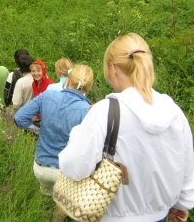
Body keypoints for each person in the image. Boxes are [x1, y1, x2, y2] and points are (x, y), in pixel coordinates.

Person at [59, 33, 194, 222]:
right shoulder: (175, 112)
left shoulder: (105, 112)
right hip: (161, 215)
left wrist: (77, 132)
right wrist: (182, 203)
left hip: (115, 216)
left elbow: (74, 167)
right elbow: (186, 163)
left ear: (113, 69)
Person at [14, 64, 94, 222]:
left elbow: (19, 118)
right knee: (62, 206)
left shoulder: (46, 96)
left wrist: (39, 131)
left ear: (68, 81)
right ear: (88, 88)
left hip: (40, 166)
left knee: (45, 196)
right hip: (65, 172)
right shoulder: (87, 110)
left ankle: (39, 215)